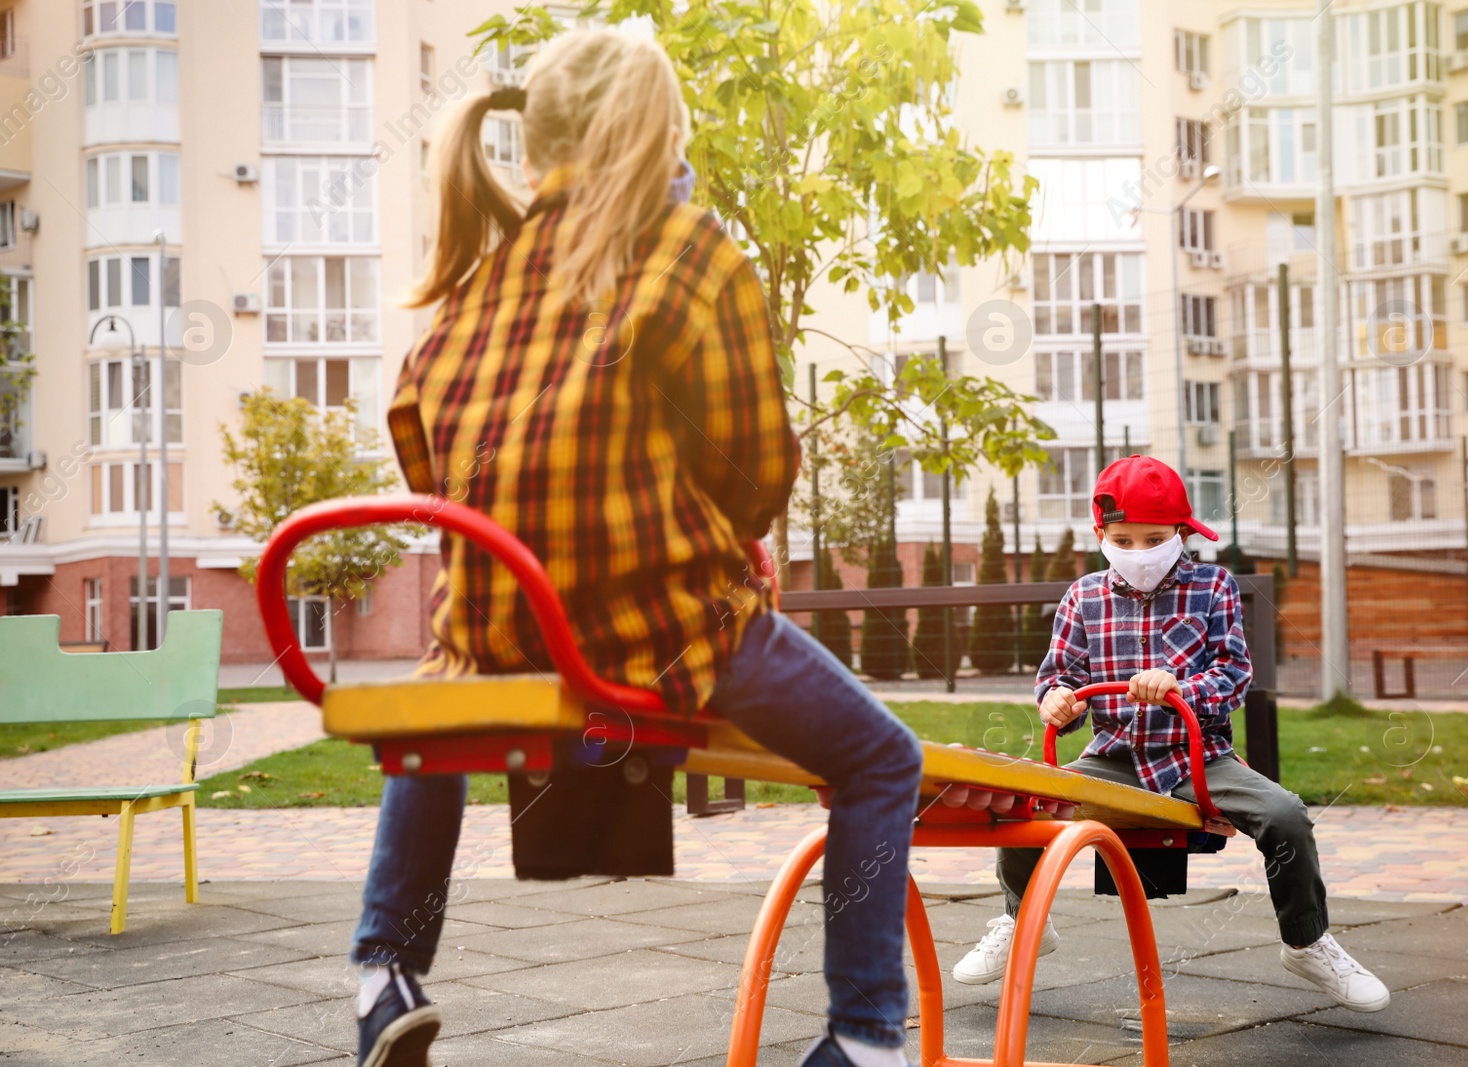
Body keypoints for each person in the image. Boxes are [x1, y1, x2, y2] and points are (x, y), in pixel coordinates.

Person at [350, 29, 922, 1067]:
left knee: (432, 715)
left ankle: (382, 968)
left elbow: (419, 446)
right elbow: (757, 474)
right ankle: (867, 1032)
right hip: (657, 624)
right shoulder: (690, 244)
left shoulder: (478, 283)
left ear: (535, 146)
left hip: (493, 632)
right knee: (883, 757)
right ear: (662, 135)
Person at [950, 455, 1390, 1014]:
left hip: (1198, 757)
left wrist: (1180, 687)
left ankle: (1306, 941)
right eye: (1123, 539)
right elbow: (1061, 676)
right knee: (1026, 804)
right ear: (1102, 535)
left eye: (1154, 539)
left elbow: (1233, 675)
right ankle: (1020, 921)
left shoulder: (1214, 586)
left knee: (1286, 816)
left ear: (1181, 533)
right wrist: (1057, 702)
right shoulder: (1084, 595)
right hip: (1112, 755)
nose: (1138, 552)